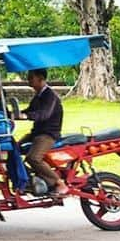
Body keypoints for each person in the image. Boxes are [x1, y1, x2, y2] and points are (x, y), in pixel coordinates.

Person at [17, 68, 68, 197]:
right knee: (14, 149)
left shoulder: (50, 96)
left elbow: (43, 115)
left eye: (31, 78)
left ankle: (59, 183)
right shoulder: (38, 96)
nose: (28, 80)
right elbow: (29, 110)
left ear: (40, 78)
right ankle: (31, 179)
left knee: (33, 157)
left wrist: (26, 116)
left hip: (48, 134)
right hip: (37, 133)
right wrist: (16, 114)